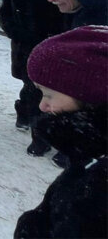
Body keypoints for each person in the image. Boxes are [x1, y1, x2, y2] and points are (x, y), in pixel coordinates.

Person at [14, 26, 107, 239]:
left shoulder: (100, 179)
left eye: (49, 95)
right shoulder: (91, 148)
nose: (42, 106)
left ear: (89, 94)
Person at [0, 0, 64, 156]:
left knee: (46, 90)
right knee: (30, 87)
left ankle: (41, 133)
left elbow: (63, 15)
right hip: (25, 49)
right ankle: (24, 114)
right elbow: (5, 15)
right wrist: (17, 34)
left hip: (52, 48)